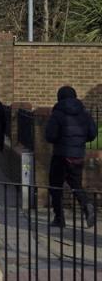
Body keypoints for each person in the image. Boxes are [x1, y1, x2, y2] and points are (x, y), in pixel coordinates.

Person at [45, 86, 97, 228]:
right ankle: (86, 205)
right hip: (78, 156)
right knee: (76, 185)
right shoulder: (84, 113)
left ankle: (59, 218)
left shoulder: (57, 114)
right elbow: (92, 134)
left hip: (61, 155)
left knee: (55, 186)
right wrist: (79, 141)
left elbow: (50, 135)